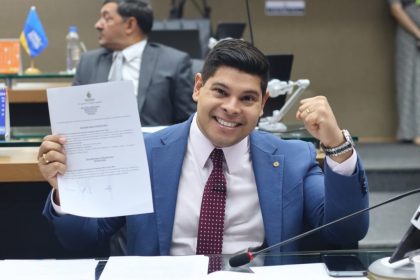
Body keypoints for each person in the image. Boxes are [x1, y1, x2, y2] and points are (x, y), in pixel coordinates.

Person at [39, 39, 368, 266]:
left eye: (247, 99)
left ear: (263, 103)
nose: (231, 108)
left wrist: (337, 145)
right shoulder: (145, 151)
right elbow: (83, 238)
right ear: (198, 87)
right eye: (220, 92)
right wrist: (65, 189)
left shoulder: (292, 157)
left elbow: (346, 230)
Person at [74, 0, 196, 126]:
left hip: (151, 143)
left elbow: (186, 122)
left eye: (107, 18)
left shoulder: (173, 62)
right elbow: (73, 114)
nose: (98, 25)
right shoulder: (87, 63)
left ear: (130, 25)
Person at [388, 0, 420, 144]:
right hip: (408, 32)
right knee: (408, 81)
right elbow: (396, 9)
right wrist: (418, 33)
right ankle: (411, 132)